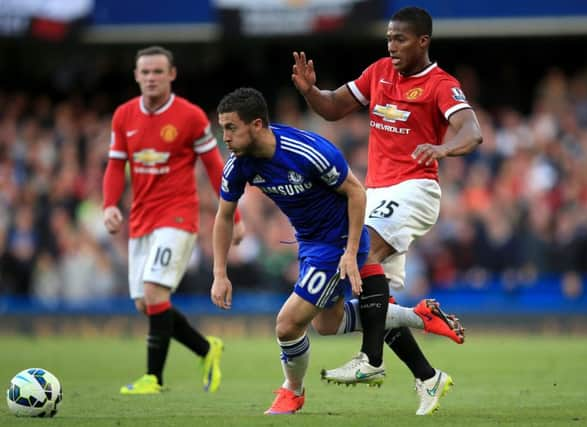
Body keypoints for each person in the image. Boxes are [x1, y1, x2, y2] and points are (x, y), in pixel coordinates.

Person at [210, 87, 462, 415]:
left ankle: (292, 391)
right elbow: (224, 216)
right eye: (223, 127)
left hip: (338, 240)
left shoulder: (307, 151)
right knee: (328, 324)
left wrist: (351, 251)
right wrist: (219, 273)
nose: (225, 136)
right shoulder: (239, 165)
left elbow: (356, 193)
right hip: (311, 242)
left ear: (257, 125)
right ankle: (418, 319)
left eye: (231, 127)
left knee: (287, 324)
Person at [291, 6, 481, 415]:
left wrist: (444, 147)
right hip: (376, 192)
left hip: (415, 188)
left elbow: (472, 131)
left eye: (400, 39)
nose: (392, 47)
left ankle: (371, 362)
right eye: (389, 39)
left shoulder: (440, 84)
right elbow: (332, 106)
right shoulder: (378, 72)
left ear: (423, 41)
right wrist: (309, 91)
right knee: (377, 304)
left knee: (361, 256)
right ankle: (429, 375)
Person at [102, 46, 244, 395]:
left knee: (153, 292)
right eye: (145, 72)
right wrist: (108, 204)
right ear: (136, 76)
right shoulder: (123, 116)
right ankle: (205, 349)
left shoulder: (191, 117)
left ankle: (153, 378)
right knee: (145, 304)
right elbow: (115, 166)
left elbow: (214, 166)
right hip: (141, 219)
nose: (151, 78)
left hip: (178, 216)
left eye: (157, 72)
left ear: (172, 75)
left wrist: (234, 216)